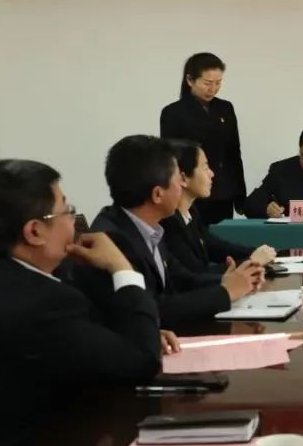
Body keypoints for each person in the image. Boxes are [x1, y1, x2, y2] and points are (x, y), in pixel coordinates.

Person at [0, 159, 162, 446]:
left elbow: (83, 335)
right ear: (35, 231)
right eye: (66, 210)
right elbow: (141, 362)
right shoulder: (39, 303)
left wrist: (122, 336)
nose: (73, 220)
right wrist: (122, 268)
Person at [88, 135, 263, 329]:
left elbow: (182, 279)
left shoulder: (148, 226)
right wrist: (225, 292)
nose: (182, 186)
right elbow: (154, 308)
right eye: (177, 179)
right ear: (158, 194)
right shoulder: (113, 240)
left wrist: (231, 281)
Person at [162, 139, 276, 275]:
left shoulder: (190, 211)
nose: (212, 173)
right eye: (205, 167)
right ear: (183, 178)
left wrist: (255, 253)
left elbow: (213, 245)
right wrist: (252, 261)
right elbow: (197, 274)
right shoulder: (169, 222)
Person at [160, 53, 245, 225]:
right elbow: (171, 160)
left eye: (218, 82)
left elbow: (234, 153)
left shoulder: (225, 108)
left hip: (222, 192)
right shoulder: (173, 112)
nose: (213, 89)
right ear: (190, 80)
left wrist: (240, 195)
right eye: (207, 83)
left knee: (221, 237)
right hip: (191, 192)